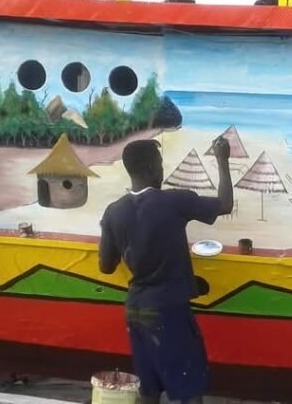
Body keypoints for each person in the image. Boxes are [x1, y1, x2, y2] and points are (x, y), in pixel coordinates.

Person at [99, 137, 233, 404]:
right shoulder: (174, 201)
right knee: (188, 388)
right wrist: (222, 160)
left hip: (136, 311)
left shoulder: (113, 212)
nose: (162, 170)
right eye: (160, 165)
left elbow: (106, 266)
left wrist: (111, 232)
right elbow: (225, 204)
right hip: (168, 310)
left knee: (149, 389)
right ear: (151, 168)